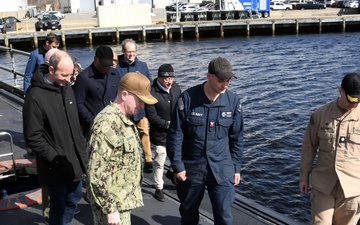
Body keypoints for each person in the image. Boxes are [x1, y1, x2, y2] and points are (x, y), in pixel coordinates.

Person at [166, 57, 243, 225]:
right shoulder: (187, 99)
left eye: (228, 80)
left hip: (222, 168)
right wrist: (177, 165)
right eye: (221, 80)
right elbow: (175, 134)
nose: (225, 84)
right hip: (192, 168)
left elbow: (236, 137)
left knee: (224, 216)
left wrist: (236, 167)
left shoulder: (233, 101)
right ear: (209, 76)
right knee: (188, 213)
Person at [23, 50, 88, 225]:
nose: (69, 79)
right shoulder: (35, 96)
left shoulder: (66, 88)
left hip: (74, 162)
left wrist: (83, 155)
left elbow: (75, 125)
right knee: (58, 208)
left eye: (71, 74)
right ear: (51, 69)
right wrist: (56, 159)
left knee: (73, 201)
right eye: (64, 75)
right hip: (55, 166)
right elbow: (33, 137)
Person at [87, 72, 158, 225]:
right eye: (140, 100)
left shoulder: (122, 119)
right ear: (125, 95)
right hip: (112, 206)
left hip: (121, 201)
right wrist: (111, 209)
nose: (142, 105)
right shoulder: (107, 123)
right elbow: (97, 171)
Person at [299, 73, 360, 225]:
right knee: (320, 223)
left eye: (357, 101)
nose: (354, 105)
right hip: (323, 184)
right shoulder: (320, 114)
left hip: (352, 187)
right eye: (351, 100)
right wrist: (303, 176)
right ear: (340, 91)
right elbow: (309, 147)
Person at [145, 63, 182, 202]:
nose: (169, 82)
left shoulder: (176, 88)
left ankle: (172, 172)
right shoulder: (151, 93)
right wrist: (167, 124)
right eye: (167, 79)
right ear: (159, 78)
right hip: (160, 134)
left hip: (176, 132)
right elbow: (152, 116)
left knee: (178, 156)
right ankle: (158, 187)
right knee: (159, 161)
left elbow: (181, 106)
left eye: (172, 78)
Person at [116, 38, 153, 172]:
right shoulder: (117, 66)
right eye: (128, 52)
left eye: (133, 51)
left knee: (144, 132)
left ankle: (148, 160)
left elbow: (150, 84)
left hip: (140, 108)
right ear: (123, 51)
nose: (131, 54)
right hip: (124, 108)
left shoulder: (143, 66)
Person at [72, 45, 121, 140]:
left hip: (114, 124)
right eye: (103, 65)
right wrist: (93, 120)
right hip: (94, 127)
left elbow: (120, 96)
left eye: (108, 66)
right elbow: (78, 103)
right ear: (95, 59)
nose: (105, 68)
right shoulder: (84, 78)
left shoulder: (115, 74)